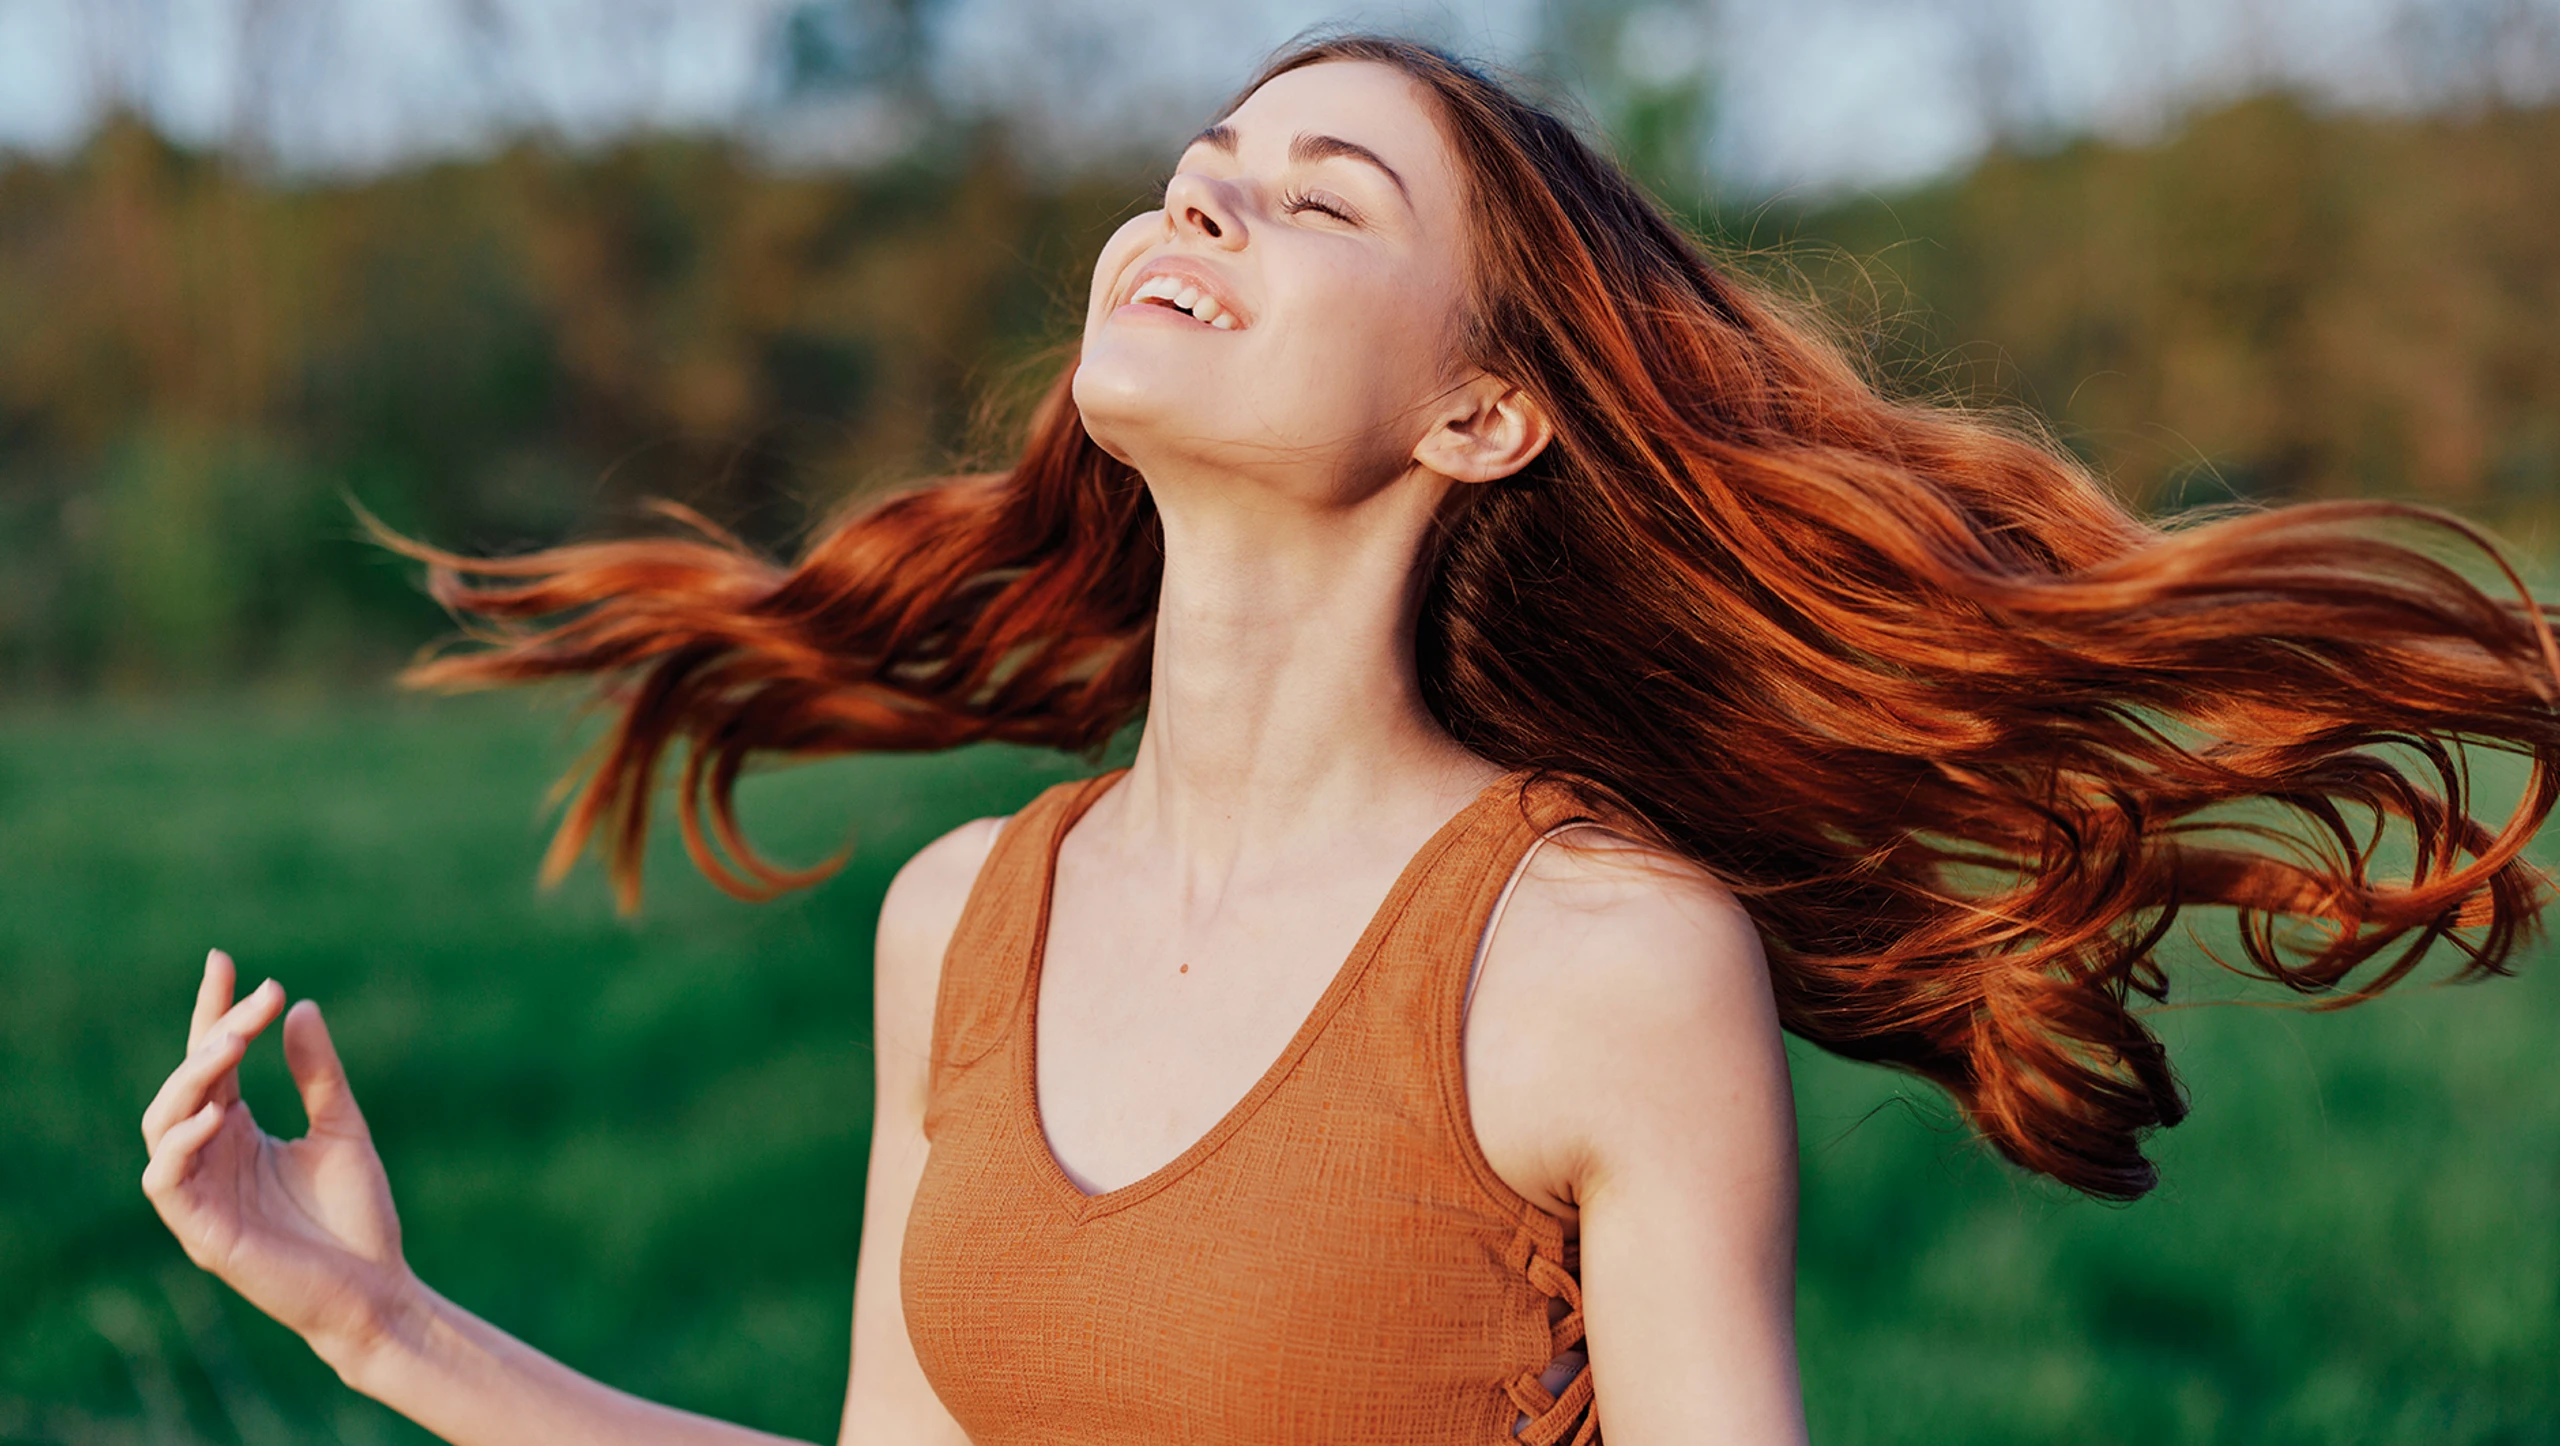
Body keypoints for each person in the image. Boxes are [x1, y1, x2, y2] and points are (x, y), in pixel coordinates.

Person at [137, 34, 2559, 1446]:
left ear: (1484, 408)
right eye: (1202, 171)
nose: (1198, 204)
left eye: (1316, 199)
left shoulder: (1596, 958)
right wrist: (375, 1317)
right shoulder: (958, 922)